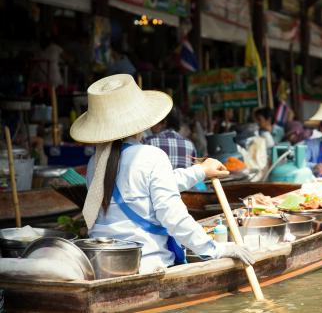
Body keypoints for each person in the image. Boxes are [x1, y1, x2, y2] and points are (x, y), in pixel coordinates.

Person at [70, 74, 254, 273]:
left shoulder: (94, 163)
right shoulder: (151, 156)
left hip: (100, 265)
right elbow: (173, 217)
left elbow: (145, 188)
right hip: (147, 264)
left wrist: (201, 171)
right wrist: (217, 249)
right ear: (141, 122)